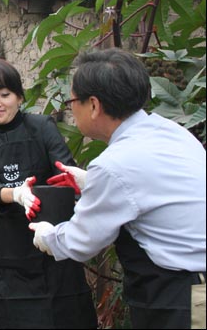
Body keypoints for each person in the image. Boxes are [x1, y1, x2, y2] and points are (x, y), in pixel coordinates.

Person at [30, 48, 206, 329]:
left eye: (72, 100)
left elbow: (81, 241)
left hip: (183, 297)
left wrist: (47, 236)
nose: (71, 109)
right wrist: (90, 182)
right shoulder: (170, 131)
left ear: (94, 105)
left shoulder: (114, 164)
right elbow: (152, 188)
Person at [0, 58, 97, 329]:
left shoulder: (42, 127)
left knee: (60, 309)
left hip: (51, 230)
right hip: (8, 243)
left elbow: (65, 170)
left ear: (19, 96)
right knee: (8, 313)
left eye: (4, 95)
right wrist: (16, 194)